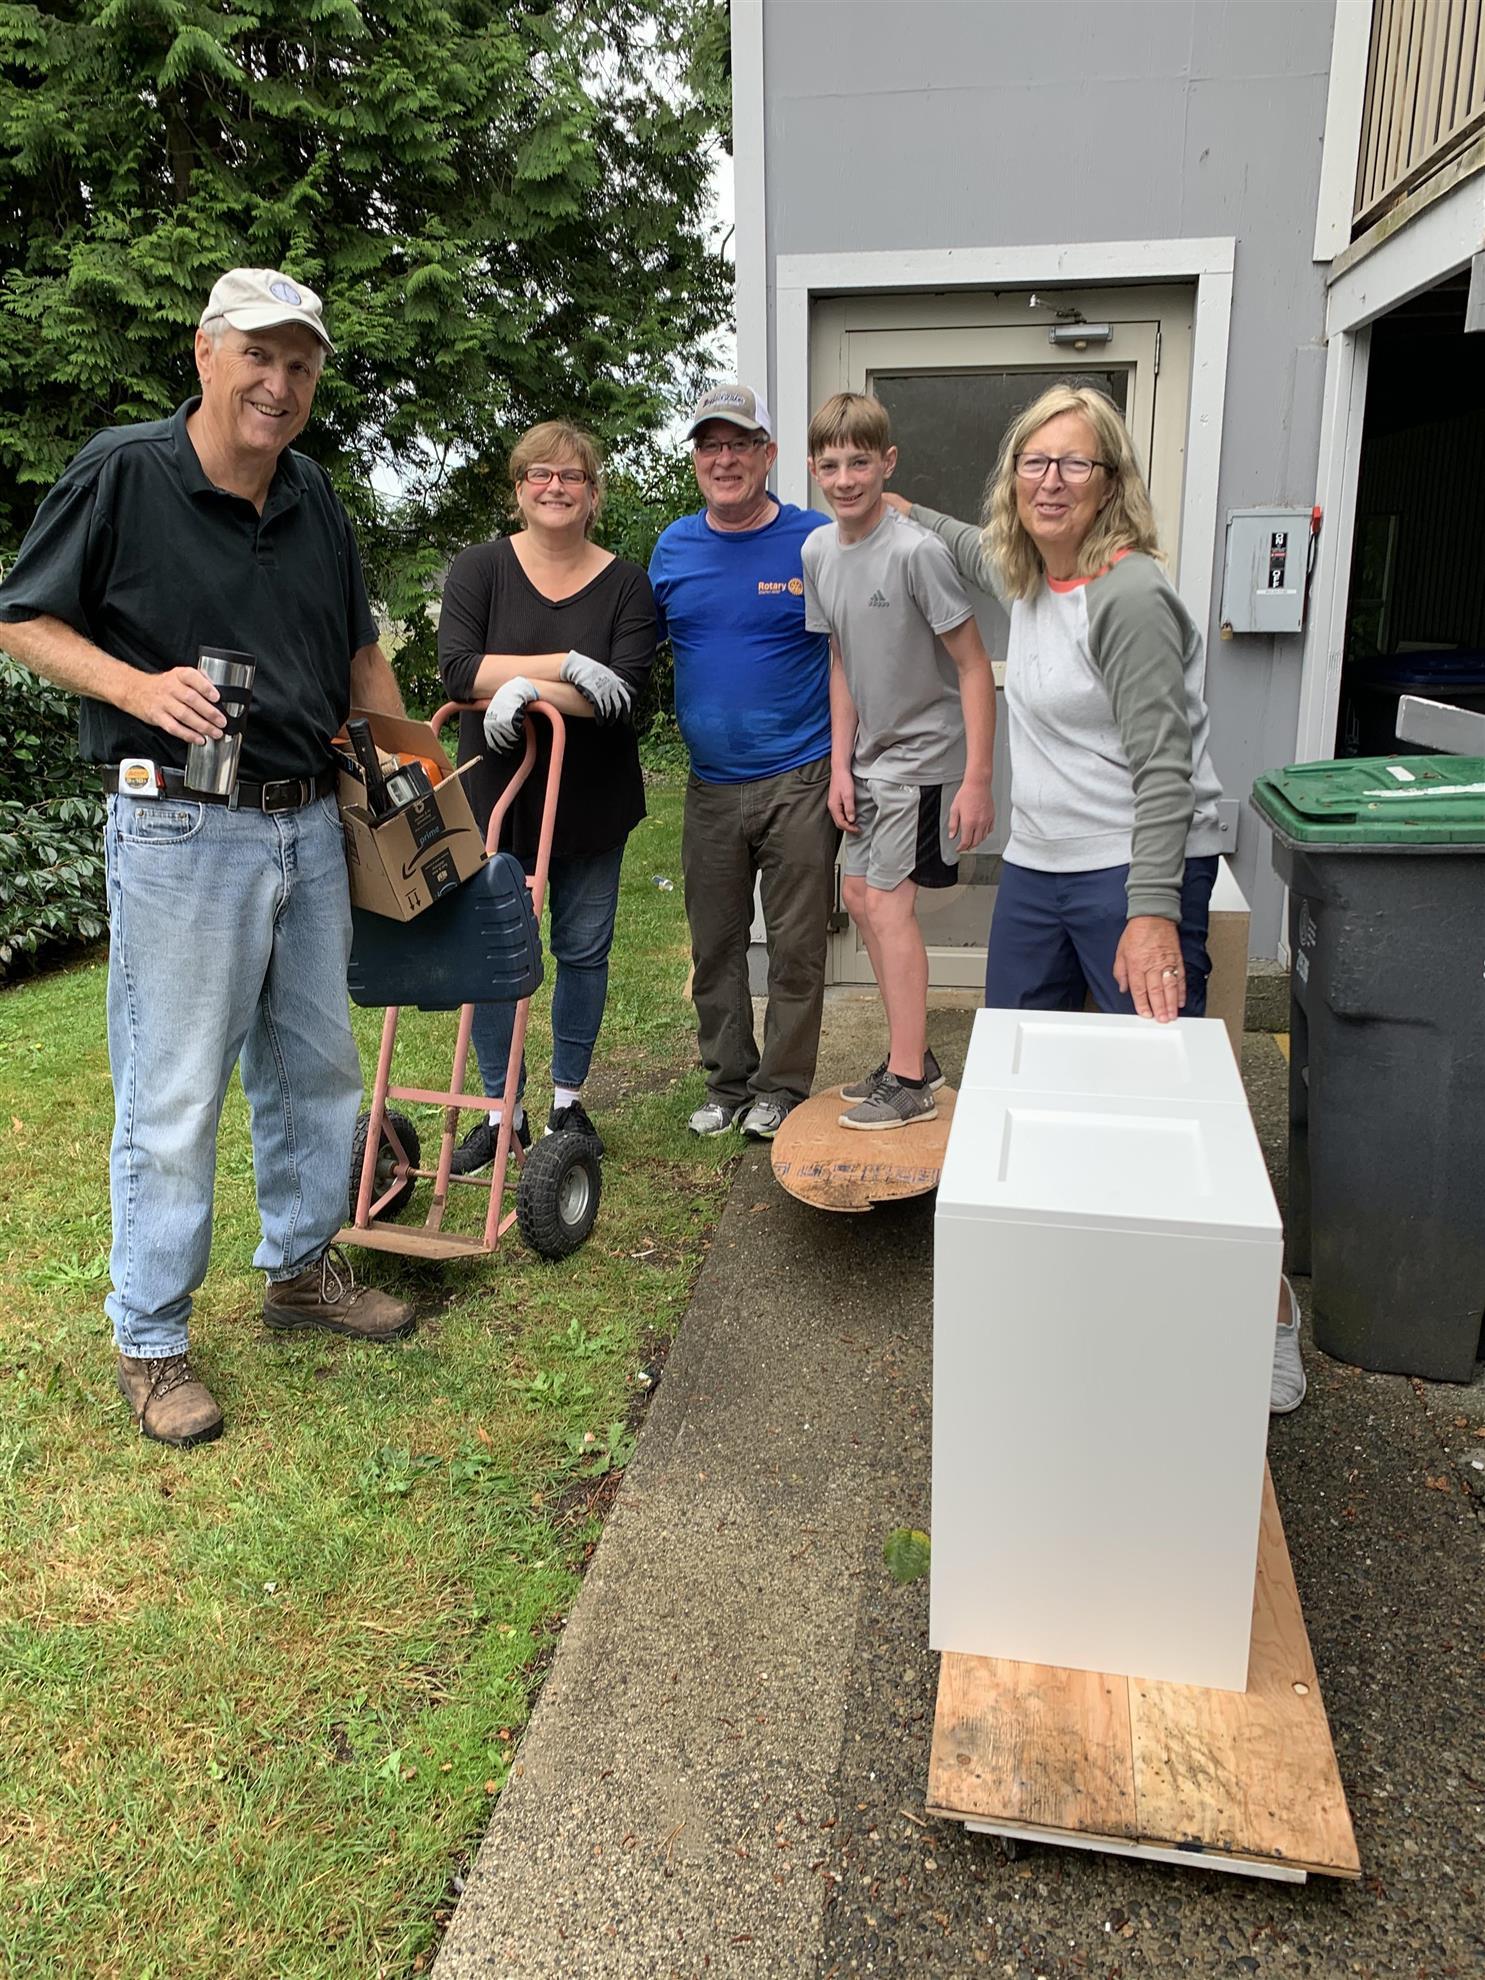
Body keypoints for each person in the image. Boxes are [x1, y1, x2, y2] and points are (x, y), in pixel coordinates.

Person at [0, 268, 416, 1449]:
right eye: (259, 358)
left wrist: (403, 787)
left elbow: (360, 656)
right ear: (206, 355)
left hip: (307, 823)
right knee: (176, 1091)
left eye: (300, 364)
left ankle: (298, 1268)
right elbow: (21, 616)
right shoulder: (127, 470)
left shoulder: (316, 496)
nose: (279, 384)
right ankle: (151, 1336)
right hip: (181, 828)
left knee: (318, 1071)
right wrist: (138, 685)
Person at [888, 382, 1304, 1411]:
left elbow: (1166, 768)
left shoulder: (1128, 596)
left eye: (1075, 463)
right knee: (1024, 1074)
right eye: (1035, 461)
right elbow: (968, 544)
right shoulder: (1027, 574)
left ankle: (1267, 1317)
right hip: (1039, 867)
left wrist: (1155, 912)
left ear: (1112, 483)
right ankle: (1064, 1284)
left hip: (1135, 867)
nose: (1051, 480)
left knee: (1165, 1093)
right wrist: (888, 509)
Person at [436, 420, 655, 1167]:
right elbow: (458, 671)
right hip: (495, 800)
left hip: (592, 801)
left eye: (570, 476)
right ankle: (504, 1112)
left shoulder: (625, 582)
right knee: (495, 955)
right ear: (518, 490)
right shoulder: (480, 569)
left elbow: (624, 692)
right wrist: (558, 668)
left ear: (593, 495)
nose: (554, 487)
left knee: (581, 949)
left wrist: (522, 684)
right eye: (539, 474)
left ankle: (566, 1104)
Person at [648, 384, 839, 1142]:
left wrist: (850, 763)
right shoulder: (673, 548)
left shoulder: (814, 540)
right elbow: (639, 647)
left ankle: (783, 1087)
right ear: (696, 459)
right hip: (709, 787)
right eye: (708, 445)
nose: (723, 459)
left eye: (738, 444)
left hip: (800, 774)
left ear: (767, 455)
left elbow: (847, 654)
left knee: (794, 945)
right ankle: (727, 1085)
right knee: (716, 944)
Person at [803, 393, 996, 1129]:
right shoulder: (816, 551)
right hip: (869, 763)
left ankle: (911, 1080)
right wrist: (841, 765)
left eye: (859, 461)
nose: (845, 478)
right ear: (815, 470)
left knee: (888, 907)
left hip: (925, 760)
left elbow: (974, 667)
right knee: (858, 902)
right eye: (830, 464)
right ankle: (904, 1059)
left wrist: (976, 780)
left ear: (887, 463)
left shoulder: (917, 550)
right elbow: (842, 658)